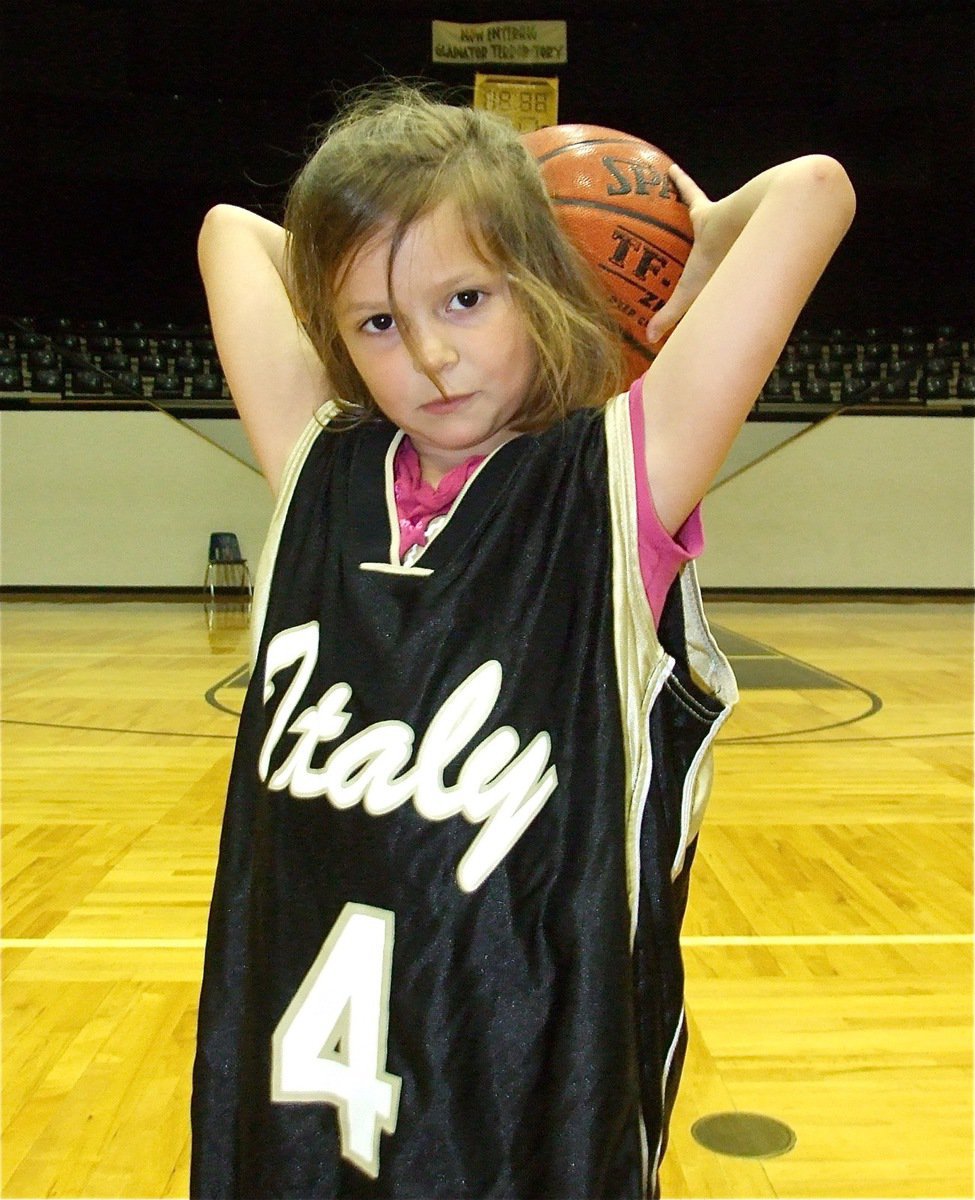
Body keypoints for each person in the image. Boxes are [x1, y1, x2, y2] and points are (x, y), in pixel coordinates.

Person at [189, 84, 855, 1199]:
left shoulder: (619, 480)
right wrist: (405, 233)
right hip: (303, 1119)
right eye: (377, 324)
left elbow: (816, 190)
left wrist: (699, 231)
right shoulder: (319, 471)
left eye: (465, 298)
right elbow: (229, 232)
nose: (430, 356)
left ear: (541, 282)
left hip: (528, 1104)